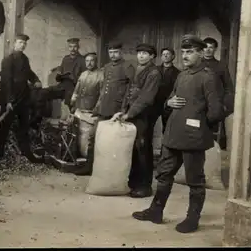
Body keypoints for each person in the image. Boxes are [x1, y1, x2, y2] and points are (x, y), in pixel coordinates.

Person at [132, 35, 225, 234]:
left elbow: (216, 111)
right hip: (173, 136)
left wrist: (199, 126)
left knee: (195, 180)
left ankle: (192, 219)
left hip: (193, 139)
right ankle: (156, 212)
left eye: (190, 52)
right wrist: (168, 103)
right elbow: (169, 100)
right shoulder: (182, 76)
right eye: (183, 52)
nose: (185, 55)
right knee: (164, 175)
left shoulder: (208, 77)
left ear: (201, 53)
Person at [72, 41, 135, 176]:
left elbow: (130, 90)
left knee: (114, 141)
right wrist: (98, 107)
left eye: (116, 52)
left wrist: (124, 109)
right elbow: (103, 91)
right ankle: (89, 166)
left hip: (117, 110)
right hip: (103, 109)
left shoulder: (127, 67)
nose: (113, 55)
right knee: (94, 137)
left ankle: (112, 171)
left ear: (121, 52)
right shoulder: (106, 67)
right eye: (110, 52)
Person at [112, 43, 162, 198]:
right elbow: (128, 92)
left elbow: (146, 98)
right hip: (132, 114)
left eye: (145, 53)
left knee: (143, 148)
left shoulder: (154, 73)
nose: (141, 56)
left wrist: (130, 113)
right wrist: (122, 110)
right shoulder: (136, 69)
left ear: (152, 56)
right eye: (139, 53)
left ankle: (144, 186)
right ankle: (133, 183)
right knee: (133, 148)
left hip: (143, 116)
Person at [0, 34, 45, 165]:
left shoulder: (25, 59)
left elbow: (29, 73)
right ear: (14, 44)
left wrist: (36, 80)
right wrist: (8, 101)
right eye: (20, 42)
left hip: (23, 99)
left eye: (24, 43)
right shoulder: (8, 60)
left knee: (24, 127)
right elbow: (6, 82)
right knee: (3, 127)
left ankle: (26, 153)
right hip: (11, 100)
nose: (23, 45)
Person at [202, 37, 234, 150]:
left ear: (215, 49)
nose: (208, 50)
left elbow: (228, 87)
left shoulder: (221, 66)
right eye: (205, 47)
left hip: (214, 104)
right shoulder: (196, 64)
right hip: (198, 102)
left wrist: (226, 105)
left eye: (211, 47)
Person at [43, 38, 87, 108]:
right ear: (68, 48)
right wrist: (59, 72)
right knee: (44, 92)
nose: (72, 49)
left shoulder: (82, 60)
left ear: (78, 47)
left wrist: (74, 78)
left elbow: (85, 76)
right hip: (62, 85)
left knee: (68, 102)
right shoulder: (65, 58)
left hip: (74, 86)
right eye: (70, 47)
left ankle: (69, 115)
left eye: (75, 46)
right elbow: (61, 69)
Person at [154, 47, 181, 133]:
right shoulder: (155, 70)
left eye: (167, 54)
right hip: (154, 103)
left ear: (173, 56)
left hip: (168, 105)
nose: (165, 56)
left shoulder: (178, 73)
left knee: (167, 129)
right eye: (163, 54)